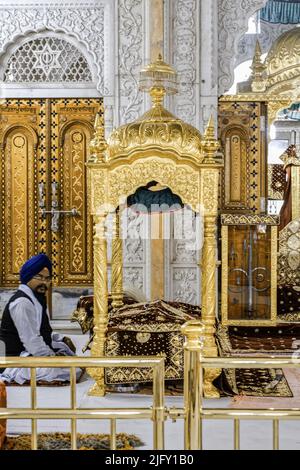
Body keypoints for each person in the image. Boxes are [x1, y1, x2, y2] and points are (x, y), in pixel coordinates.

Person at [0, 253, 80, 384]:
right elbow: (32, 341)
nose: (44, 282)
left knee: (68, 356)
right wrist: (52, 359)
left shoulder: (36, 298)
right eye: (39, 277)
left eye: (47, 278)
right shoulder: (22, 303)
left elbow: (39, 330)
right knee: (70, 370)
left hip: (29, 354)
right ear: (28, 277)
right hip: (14, 361)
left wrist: (59, 339)